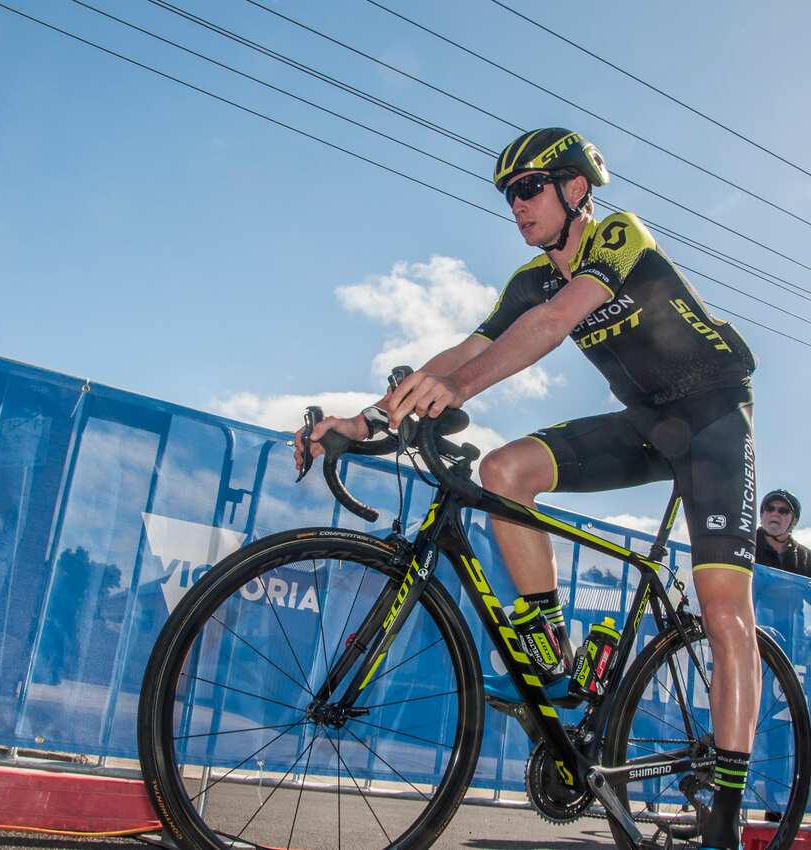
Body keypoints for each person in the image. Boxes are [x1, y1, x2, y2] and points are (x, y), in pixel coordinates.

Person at [296, 127, 760, 850]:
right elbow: (471, 349)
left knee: (725, 608)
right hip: (646, 422)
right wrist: (360, 422)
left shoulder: (618, 237)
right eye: (507, 195)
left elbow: (550, 327)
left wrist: (448, 388)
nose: (515, 206)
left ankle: (726, 816)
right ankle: (554, 661)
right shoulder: (527, 281)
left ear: (576, 189)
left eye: (527, 188)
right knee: (504, 471)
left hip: (713, 418)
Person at [756, 488, 811, 584]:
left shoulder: (805, 556)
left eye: (783, 511)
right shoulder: (746, 544)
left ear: (794, 521)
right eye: (769, 509)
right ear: (761, 515)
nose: (775, 513)